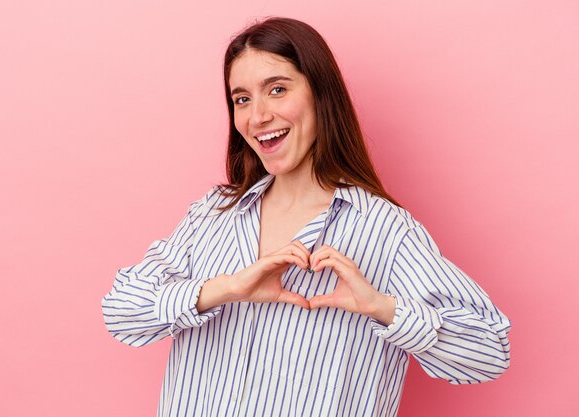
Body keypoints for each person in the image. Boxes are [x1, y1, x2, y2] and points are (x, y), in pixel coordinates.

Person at [102, 17, 511, 417]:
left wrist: (384, 309)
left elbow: (489, 353)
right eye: (241, 99)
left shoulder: (384, 230)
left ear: (321, 94)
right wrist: (224, 288)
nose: (257, 116)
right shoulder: (213, 213)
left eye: (277, 89)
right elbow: (120, 311)